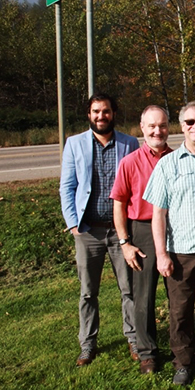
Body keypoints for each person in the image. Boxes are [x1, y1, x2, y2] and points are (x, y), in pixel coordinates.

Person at [143, 101, 195, 386]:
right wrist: (162, 254)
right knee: (180, 313)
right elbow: (159, 214)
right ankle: (183, 362)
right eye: (190, 122)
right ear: (182, 126)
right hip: (181, 253)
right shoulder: (167, 164)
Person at [60, 92, 140, 366]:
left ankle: (134, 339)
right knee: (87, 292)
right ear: (89, 114)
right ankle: (87, 344)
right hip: (88, 231)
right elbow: (67, 186)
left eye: (105, 111)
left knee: (129, 289)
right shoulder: (74, 144)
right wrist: (73, 224)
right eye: (95, 111)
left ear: (113, 113)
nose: (100, 116)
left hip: (121, 232)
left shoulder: (129, 144)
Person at [110, 105, 173, 374]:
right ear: (142, 127)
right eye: (151, 126)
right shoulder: (130, 162)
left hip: (176, 229)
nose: (157, 131)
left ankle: (183, 347)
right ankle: (147, 352)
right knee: (143, 295)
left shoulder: (178, 158)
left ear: (169, 127)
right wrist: (125, 243)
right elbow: (119, 204)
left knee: (178, 294)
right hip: (143, 230)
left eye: (162, 125)